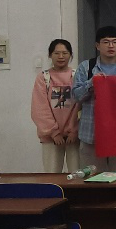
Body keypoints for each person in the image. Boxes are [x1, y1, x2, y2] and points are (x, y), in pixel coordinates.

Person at [72, 26, 116, 170]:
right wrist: (92, 82)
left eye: (115, 42)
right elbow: (76, 96)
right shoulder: (86, 67)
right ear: (97, 45)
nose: (111, 46)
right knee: (92, 177)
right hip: (91, 133)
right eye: (106, 42)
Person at [31, 39, 81, 173]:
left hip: (73, 137)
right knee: (51, 174)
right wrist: (53, 132)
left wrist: (74, 130)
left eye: (65, 53)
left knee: (77, 174)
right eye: (57, 53)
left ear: (71, 55)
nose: (61, 56)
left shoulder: (77, 75)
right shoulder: (43, 78)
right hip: (50, 137)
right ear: (50, 55)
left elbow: (80, 105)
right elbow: (39, 108)